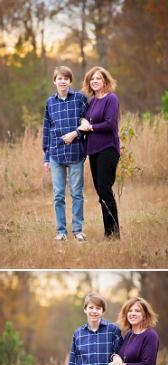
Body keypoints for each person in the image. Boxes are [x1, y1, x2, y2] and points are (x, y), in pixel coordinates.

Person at [42, 65, 89, 241]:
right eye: (59, 78)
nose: (63, 81)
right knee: (58, 195)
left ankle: (78, 230)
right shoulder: (50, 103)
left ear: (70, 81)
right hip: (56, 155)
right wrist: (46, 156)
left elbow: (87, 124)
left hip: (76, 153)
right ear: (54, 81)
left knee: (77, 193)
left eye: (66, 78)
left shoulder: (79, 99)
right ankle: (61, 231)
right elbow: (47, 129)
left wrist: (76, 134)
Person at [78, 66, 121, 239]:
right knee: (101, 192)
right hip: (94, 151)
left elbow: (110, 124)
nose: (94, 81)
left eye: (98, 78)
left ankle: (114, 234)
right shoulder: (93, 101)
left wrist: (91, 127)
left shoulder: (111, 98)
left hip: (107, 149)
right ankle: (108, 232)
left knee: (105, 190)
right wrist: (83, 121)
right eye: (91, 79)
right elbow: (85, 120)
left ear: (105, 81)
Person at [65, 293, 122, 365]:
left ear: (103, 311)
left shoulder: (113, 331)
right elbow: (73, 364)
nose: (94, 311)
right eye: (91, 307)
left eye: (98, 308)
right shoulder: (78, 334)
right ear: (85, 310)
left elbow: (120, 361)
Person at [109, 297, 160, 365]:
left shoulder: (150, 335)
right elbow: (123, 356)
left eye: (137, 311)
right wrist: (115, 357)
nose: (132, 313)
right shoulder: (129, 334)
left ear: (145, 314)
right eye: (130, 311)